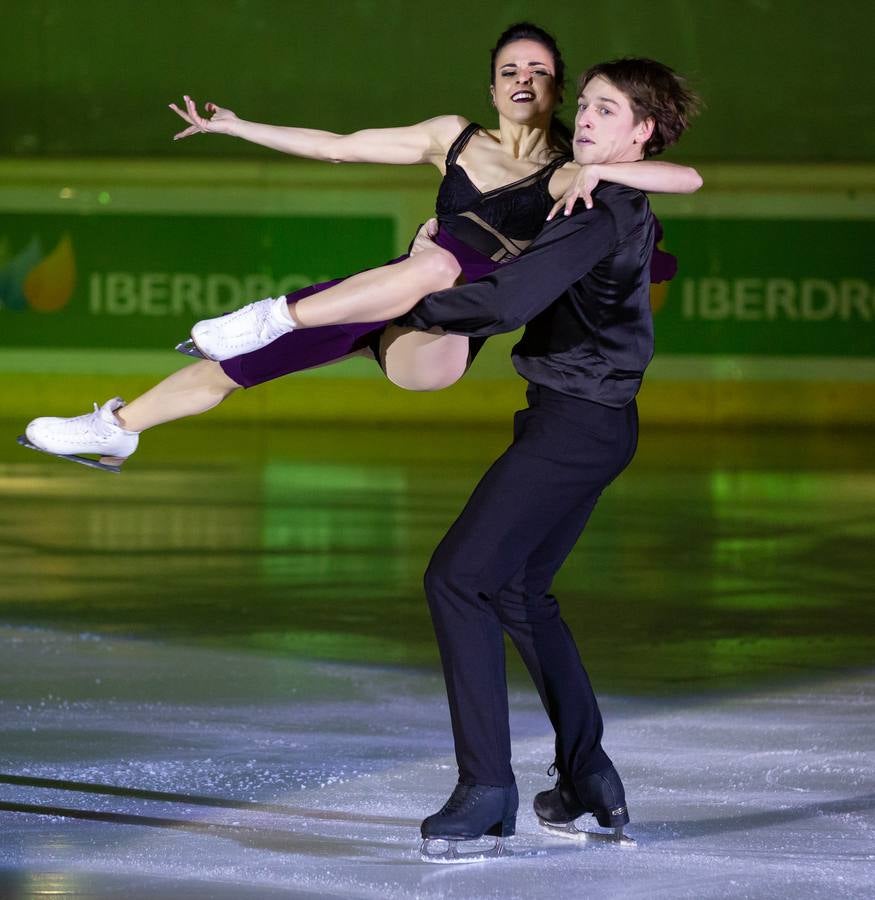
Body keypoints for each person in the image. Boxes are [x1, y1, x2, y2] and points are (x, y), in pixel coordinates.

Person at [20, 24, 700, 472]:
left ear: (558, 88)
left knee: (432, 260)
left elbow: (684, 177)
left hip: (435, 340)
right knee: (238, 365)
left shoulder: (568, 163)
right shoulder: (451, 137)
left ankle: (275, 313)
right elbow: (337, 147)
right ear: (490, 86)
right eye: (507, 68)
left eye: (540, 70)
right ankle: (119, 427)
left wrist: (601, 168)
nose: (522, 77)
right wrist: (237, 127)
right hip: (389, 295)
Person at [401, 58, 700, 862]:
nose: (586, 118)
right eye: (588, 106)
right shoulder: (598, 195)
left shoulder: (600, 208)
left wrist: (396, 299)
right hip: (593, 423)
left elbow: (505, 301)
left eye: (608, 110)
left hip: (573, 428)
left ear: (640, 131)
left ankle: (484, 793)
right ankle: (587, 780)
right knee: (518, 591)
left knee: (456, 579)